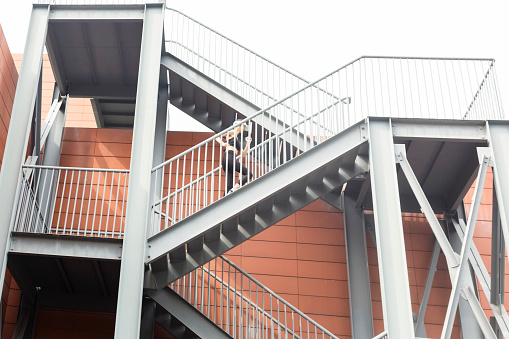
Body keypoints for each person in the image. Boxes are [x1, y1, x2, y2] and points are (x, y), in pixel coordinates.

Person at [216, 120, 253, 194]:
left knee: (229, 185)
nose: (244, 129)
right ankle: (233, 190)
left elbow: (243, 154)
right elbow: (217, 136)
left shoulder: (237, 139)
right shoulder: (232, 132)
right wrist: (223, 144)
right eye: (244, 126)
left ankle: (225, 199)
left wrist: (248, 143)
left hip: (229, 159)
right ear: (239, 125)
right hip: (229, 157)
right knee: (249, 174)